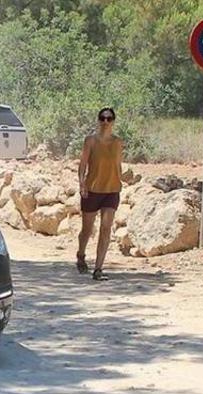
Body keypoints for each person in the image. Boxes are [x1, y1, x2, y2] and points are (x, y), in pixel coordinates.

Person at [76, 107, 124, 281]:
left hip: (111, 190)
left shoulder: (118, 142)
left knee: (105, 228)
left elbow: (118, 164)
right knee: (87, 230)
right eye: (102, 118)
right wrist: (82, 183)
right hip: (92, 190)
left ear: (113, 121)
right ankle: (81, 254)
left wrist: (120, 181)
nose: (105, 122)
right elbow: (82, 165)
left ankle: (98, 269)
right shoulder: (90, 141)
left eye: (109, 119)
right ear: (98, 120)